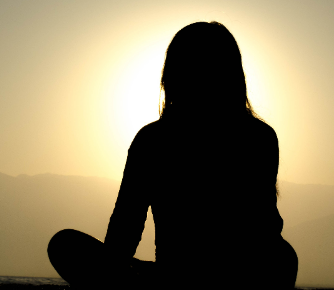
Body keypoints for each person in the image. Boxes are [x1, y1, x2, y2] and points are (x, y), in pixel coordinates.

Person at [47, 22, 298, 289]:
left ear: (172, 75)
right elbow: (266, 228)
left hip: (188, 279)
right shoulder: (259, 136)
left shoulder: (153, 140)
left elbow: (125, 230)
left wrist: (116, 273)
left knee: (65, 245)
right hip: (228, 277)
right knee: (282, 256)